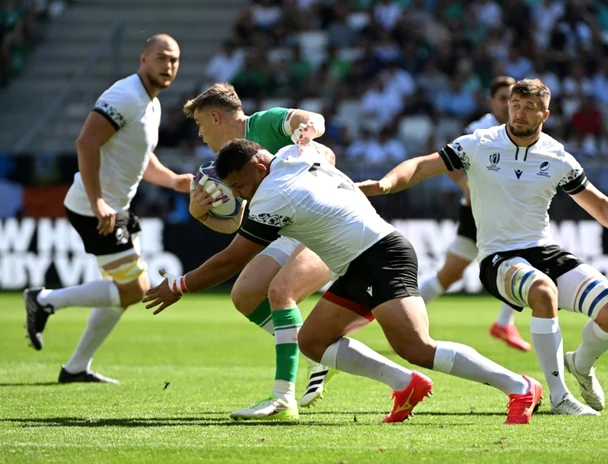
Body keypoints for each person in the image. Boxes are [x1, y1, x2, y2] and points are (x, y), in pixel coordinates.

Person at [142, 139, 543, 425]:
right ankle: (406, 387)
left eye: (240, 186)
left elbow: (231, 259)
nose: (241, 196)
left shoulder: (271, 194)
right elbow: (314, 141)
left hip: (382, 254)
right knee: (312, 340)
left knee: (417, 346)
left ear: (258, 170)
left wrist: (178, 287)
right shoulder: (293, 153)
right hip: (356, 263)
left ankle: (520, 385)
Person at [357, 78, 608, 415]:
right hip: (498, 257)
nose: (519, 113)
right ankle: (559, 398)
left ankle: (581, 365)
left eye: (529, 108)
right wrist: (386, 183)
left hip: (544, 250)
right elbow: (423, 165)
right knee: (543, 290)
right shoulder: (479, 143)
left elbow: (598, 204)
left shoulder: (557, 157)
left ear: (545, 114)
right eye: (515, 105)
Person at [23, 34, 192, 383]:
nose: (168, 65)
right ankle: (43, 300)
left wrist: (174, 181)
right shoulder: (125, 95)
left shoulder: (151, 103)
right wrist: (98, 200)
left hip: (117, 208)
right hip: (93, 208)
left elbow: (140, 159)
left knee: (121, 293)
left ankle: (75, 368)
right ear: (143, 59)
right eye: (161, 57)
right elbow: (86, 141)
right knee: (135, 289)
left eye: (174, 60)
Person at [182, 83, 337, 419]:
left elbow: (313, 120)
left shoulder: (264, 123)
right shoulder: (228, 164)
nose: (199, 134)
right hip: (291, 231)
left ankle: (292, 387)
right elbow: (238, 225)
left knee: (279, 292)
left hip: (325, 222)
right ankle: (319, 356)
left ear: (215, 117)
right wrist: (202, 215)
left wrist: (309, 132)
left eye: (199, 124)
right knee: (245, 295)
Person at [419, 75, 531, 352]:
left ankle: (401, 307)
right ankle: (400, 307)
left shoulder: (522, 128)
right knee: (523, 255)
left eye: (514, 99)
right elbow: (448, 160)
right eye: (504, 98)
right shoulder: (480, 129)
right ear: (492, 101)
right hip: (479, 211)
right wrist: (465, 185)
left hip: (502, 210)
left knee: (452, 274)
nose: (509, 104)